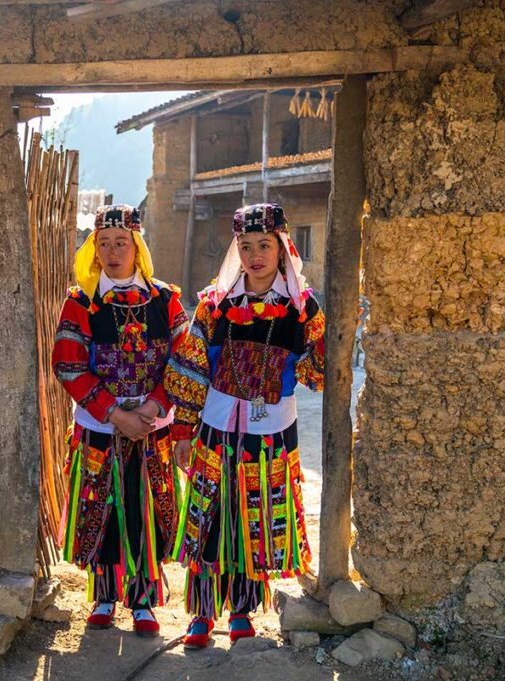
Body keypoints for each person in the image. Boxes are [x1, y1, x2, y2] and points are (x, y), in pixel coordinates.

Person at [165, 202, 326, 648]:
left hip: (270, 434)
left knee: (252, 521)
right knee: (208, 516)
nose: (255, 255)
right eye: (247, 246)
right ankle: (200, 614)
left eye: (265, 245)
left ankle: (241, 611)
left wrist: (327, 339)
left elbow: (317, 375)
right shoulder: (216, 305)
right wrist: (182, 432)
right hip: (215, 429)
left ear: (282, 247)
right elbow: (193, 369)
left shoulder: (302, 309)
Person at [52, 204, 189, 637]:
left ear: (137, 247)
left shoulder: (166, 299)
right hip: (100, 428)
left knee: (144, 508)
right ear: (94, 249)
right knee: (103, 507)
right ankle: (105, 594)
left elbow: (184, 360)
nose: (113, 251)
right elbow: (69, 364)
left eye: (122, 243)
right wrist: (114, 413)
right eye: (104, 243)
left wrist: (150, 409)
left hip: (152, 428)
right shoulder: (81, 303)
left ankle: (145, 598)